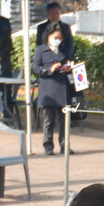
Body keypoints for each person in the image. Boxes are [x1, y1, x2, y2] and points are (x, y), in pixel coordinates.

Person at [33, 25, 72, 156]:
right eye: (55, 38)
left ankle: (64, 145)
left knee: (63, 120)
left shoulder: (63, 51)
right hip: (48, 88)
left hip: (62, 87)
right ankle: (48, 145)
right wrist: (49, 69)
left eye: (60, 38)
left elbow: (68, 63)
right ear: (48, 36)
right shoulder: (40, 50)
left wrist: (67, 68)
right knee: (49, 120)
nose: (58, 40)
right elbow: (36, 68)